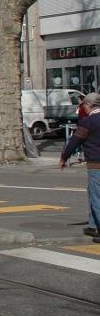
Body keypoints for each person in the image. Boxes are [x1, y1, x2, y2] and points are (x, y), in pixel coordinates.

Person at [59, 92, 100, 241]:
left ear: (88, 105)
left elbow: (74, 142)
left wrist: (64, 157)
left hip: (96, 164)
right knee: (93, 194)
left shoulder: (87, 122)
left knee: (96, 197)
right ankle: (93, 226)